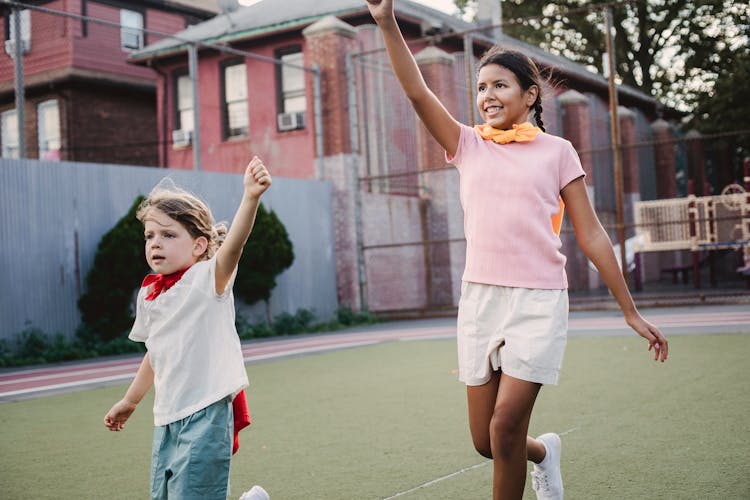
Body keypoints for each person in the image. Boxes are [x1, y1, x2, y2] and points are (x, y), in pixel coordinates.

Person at [365, 1, 669, 499]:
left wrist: (630, 311)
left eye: (499, 85)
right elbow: (417, 92)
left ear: (530, 95)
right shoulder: (467, 144)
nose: (487, 95)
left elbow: (591, 233)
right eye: (481, 87)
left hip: (538, 301)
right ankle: (544, 453)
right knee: (487, 442)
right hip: (480, 300)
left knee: (505, 427)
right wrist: (386, 22)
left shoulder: (558, 152)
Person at [103, 157, 272, 500]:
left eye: (168, 234)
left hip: (206, 410)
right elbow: (156, 352)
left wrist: (250, 197)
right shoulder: (150, 294)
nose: (155, 243)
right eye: (150, 235)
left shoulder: (207, 279)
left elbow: (234, 246)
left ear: (198, 245)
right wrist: (130, 400)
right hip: (167, 416)